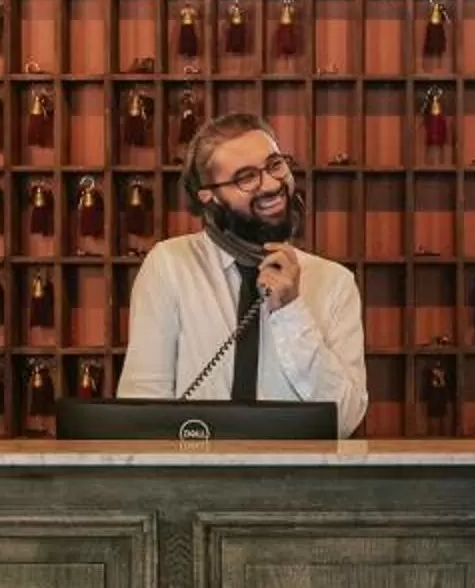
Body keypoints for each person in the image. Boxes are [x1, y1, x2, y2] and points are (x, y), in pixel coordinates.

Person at [118, 111, 368, 438]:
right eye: (246, 177)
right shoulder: (170, 266)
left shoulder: (334, 282)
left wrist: (291, 312)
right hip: (196, 483)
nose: (271, 184)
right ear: (208, 195)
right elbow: (142, 408)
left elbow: (345, 420)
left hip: (299, 484)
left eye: (275, 165)